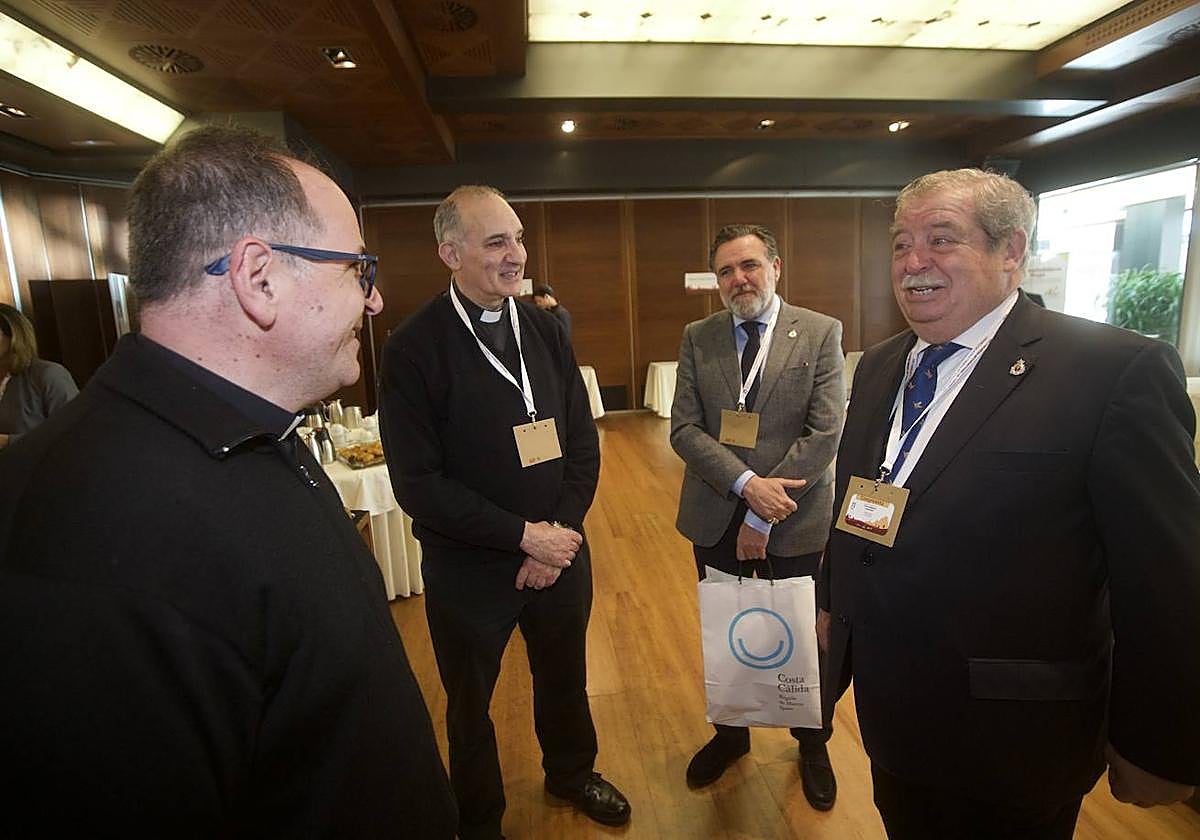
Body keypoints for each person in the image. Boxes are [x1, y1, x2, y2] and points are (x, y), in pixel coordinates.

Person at [0, 126, 457, 837]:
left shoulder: (244, 430)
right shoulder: (100, 537)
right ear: (260, 277)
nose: (373, 302)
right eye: (356, 271)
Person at [819, 168, 1200, 839]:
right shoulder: (880, 365)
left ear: (1012, 251)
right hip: (894, 716)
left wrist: (1159, 744)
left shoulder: (1112, 371)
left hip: (1016, 738)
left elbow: (1165, 583)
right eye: (902, 245)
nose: (914, 264)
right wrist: (829, 614)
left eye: (942, 240)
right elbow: (861, 506)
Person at [378, 185, 630, 840]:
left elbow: (581, 444)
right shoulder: (412, 348)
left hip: (560, 556)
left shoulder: (547, 327)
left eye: (518, 238)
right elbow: (418, 483)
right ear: (449, 252)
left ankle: (572, 774)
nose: (516, 254)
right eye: (497, 242)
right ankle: (479, 820)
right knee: (469, 707)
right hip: (470, 570)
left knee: (566, 679)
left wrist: (561, 537)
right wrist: (525, 538)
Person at [670, 224, 845, 809]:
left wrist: (765, 513)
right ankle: (731, 735)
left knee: (801, 633)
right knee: (729, 626)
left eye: (748, 265)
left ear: (775, 266)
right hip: (716, 514)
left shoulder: (820, 332)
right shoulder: (700, 337)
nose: (738, 279)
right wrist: (746, 486)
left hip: (795, 519)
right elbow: (685, 429)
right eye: (725, 271)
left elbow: (824, 433)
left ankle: (812, 741)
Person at [0, 302, 78, 449]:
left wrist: (7, 441)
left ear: (14, 335)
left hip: (43, 469)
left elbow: (75, 434)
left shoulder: (47, 374)